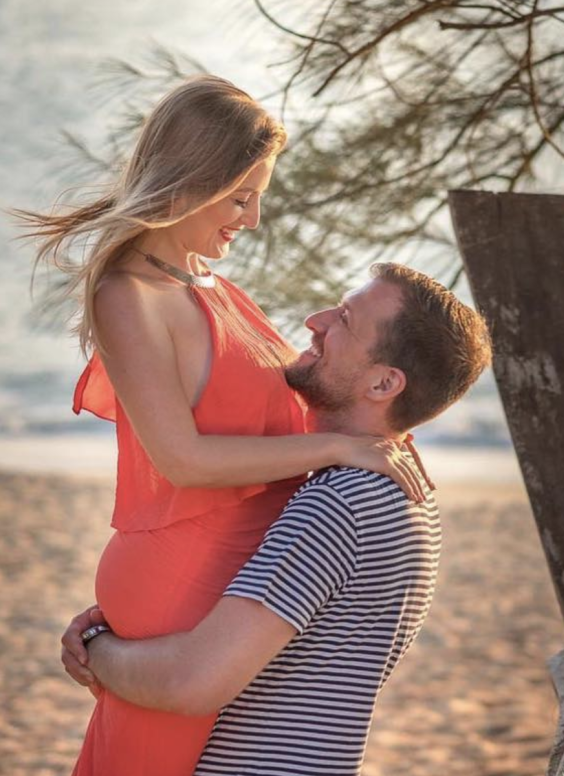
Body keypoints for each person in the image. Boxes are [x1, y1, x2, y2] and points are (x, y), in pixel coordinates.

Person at [15, 76, 428, 776]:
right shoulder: (130, 294)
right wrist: (336, 445)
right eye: (241, 195)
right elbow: (182, 462)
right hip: (188, 582)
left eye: (258, 194)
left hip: (230, 580)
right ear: (188, 181)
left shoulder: (208, 283)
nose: (255, 216)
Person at [61, 262, 492, 776]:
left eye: (346, 320)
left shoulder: (342, 504)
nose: (315, 319)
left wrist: (95, 649)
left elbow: (193, 682)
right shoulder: (398, 490)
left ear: (383, 383)